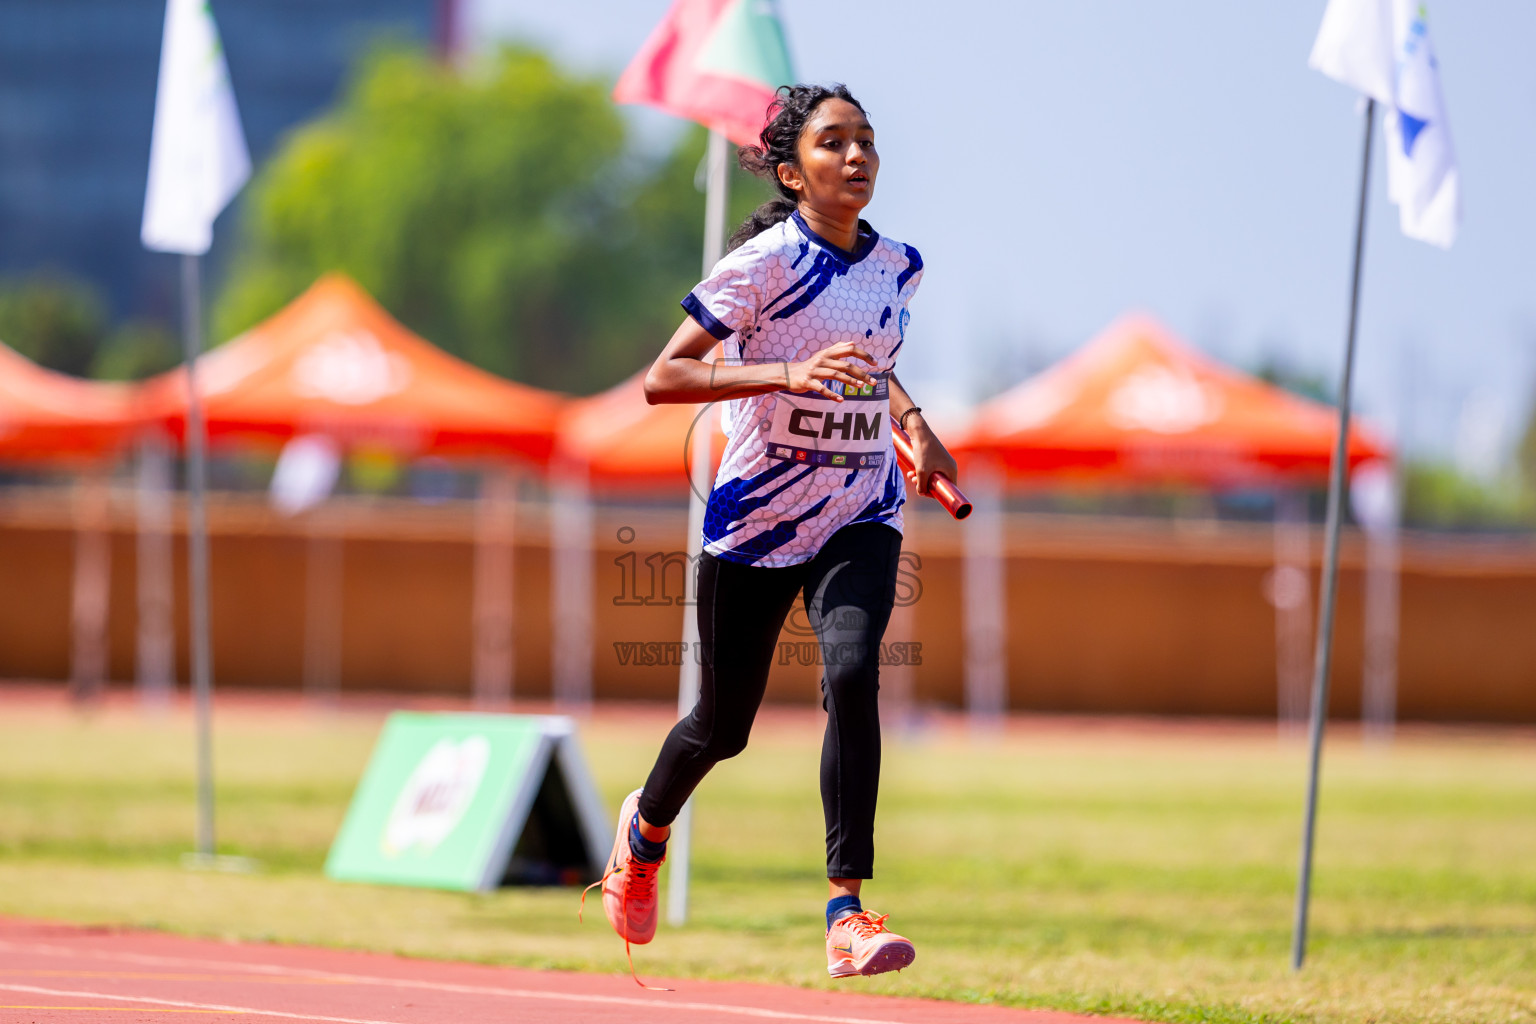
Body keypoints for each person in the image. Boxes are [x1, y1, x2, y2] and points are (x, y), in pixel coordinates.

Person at [585, 83, 958, 982]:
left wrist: (917, 428)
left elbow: (874, 365)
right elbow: (664, 378)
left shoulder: (900, 263)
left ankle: (846, 913)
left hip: (859, 511)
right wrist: (790, 370)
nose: (858, 156)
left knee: (854, 672)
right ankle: (642, 834)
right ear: (793, 173)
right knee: (722, 725)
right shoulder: (762, 264)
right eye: (835, 143)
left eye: (868, 139)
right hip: (756, 518)